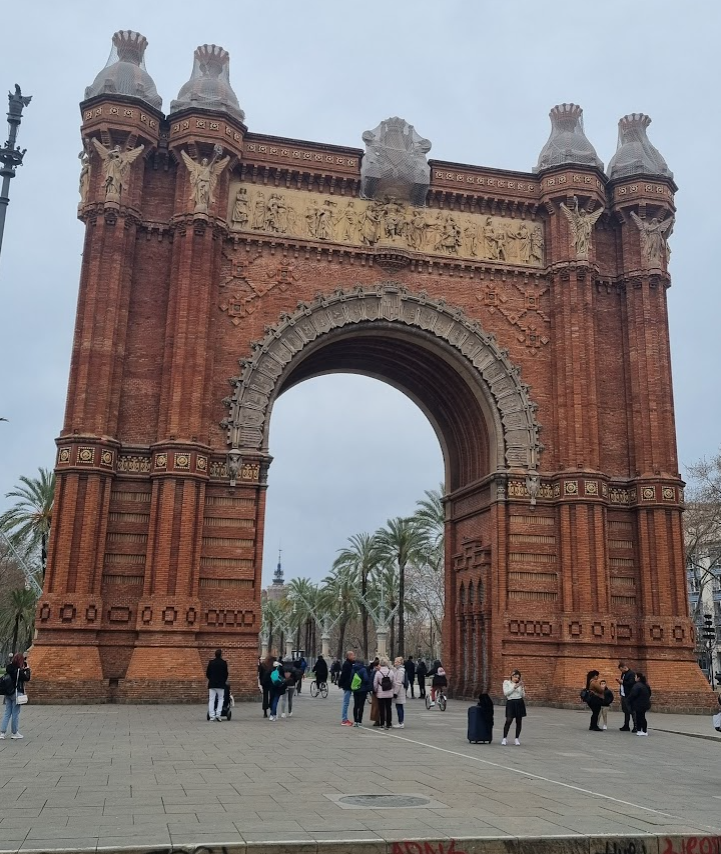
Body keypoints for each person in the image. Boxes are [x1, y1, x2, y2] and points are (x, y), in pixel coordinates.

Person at [1, 653, 30, 739]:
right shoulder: (18, 671)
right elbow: (27, 678)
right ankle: (14, 732)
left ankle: (2, 733)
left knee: (7, 713)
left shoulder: (9, 668)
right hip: (16, 693)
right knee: (15, 714)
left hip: (8, 693)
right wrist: (27, 669)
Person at [501, 669, 526, 745]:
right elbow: (506, 693)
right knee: (509, 720)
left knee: (519, 721)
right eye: (515, 677)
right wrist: (514, 688)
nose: (516, 679)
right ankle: (504, 738)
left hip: (519, 702)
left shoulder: (519, 684)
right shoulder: (507, 683)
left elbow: (523, 695)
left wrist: (521, 688)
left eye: (518, 677)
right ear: (511, 676)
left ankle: (516, 738)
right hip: (511, 702)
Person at [206, 649, 228, 722]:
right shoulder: (224, 663)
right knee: (221, 699)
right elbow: (226, 674)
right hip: (221, 684)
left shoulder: (211, 662)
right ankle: (218, 714)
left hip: (212, 683)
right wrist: (223, 681)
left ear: (215, 654)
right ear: (221, 655)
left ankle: (212, 715)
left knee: (211, 699)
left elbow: (207, 673)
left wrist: (211, 679)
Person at [627, 672, 652, 736]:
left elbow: (633, 694)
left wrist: (628, 700)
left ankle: (641, 730)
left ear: (638, 678)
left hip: (639, 704)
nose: (634, 678)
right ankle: (643, 730)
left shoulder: (637, 686)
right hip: (644, 703)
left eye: (635, 677)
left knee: (639, 717)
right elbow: (649, 693)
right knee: (642, 716)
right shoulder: (645, 685)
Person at [374, 656, 395, 730]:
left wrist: (376, 690)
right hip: (389, 692)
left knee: (381, 709)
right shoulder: (391, 672)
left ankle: (382, 723)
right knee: (388, 708)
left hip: (381, 693)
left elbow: (375, 683)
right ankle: (389, 723)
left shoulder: (378, 673)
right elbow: (393, 682)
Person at [350, 657, 371, 726]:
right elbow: (366, 679)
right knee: (361, 705)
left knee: (356, 705)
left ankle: (355, 720)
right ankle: (359, 721)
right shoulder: (363, 669)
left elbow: (351, 679)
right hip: (363, 689)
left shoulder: (353, 669)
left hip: (355, 689)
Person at [617, 661, 637, 732]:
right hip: (623, 694)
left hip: (629, 695)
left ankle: (635, 726)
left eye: (621, 669)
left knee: (631, 710)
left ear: (624, 667)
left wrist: (623, 682)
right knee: (625, 711)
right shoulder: (623, 674)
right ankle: (626, 725)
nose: (621, 671)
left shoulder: (631, 674)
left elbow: (631, 683)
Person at [338, 650, 356, 726]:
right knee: (346, 703)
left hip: (349, 685)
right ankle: (344, 719)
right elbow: (344, 675)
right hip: (347, 685)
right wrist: (341, 684)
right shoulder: (347, 664)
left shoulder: (350, 664)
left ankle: (345, 719)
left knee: (346, 702)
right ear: (349, 656)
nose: (354, 656)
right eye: (352, 655)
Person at [258, 654, 275, 718]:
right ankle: (271, 709)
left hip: (265, 683)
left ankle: (265, 711)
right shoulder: (272, 666)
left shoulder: (262, 665)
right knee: (272, 696)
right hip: (271, 682)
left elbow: (260, 674)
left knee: (265, 697)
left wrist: (261, 682)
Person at [392, 656, 407, 728]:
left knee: (399, 707)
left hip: (399, 691)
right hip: (399, 690)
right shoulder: (398, 670)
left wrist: (395, 692)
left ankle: (401, 722)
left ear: (400, 662)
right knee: (399, 706)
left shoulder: (400, 671)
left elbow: (398, 682)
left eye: (396, 662)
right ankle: (400, 721)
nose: (395, 663)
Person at [367, 658, 381, 726]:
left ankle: (377, 719)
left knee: (375, 706)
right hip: (384, 691)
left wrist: (372, 689)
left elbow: (372, 681)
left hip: (376, 691)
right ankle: (381, 719)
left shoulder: (375, 672)